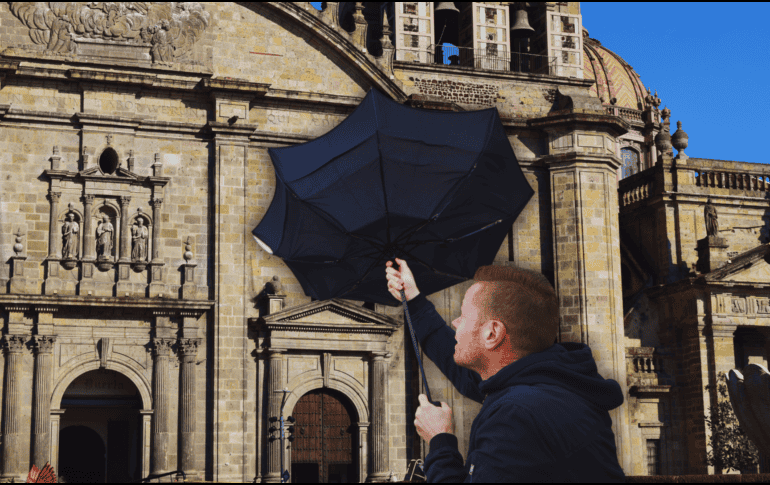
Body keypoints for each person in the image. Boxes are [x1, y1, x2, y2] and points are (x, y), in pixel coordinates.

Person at [385, 257, 626, 483]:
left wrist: (440, 440)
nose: (455, 323)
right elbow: (461, 369)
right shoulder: (547, 387)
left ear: (492, 333)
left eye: (463, 316)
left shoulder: (516, 415)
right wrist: (414, 300)